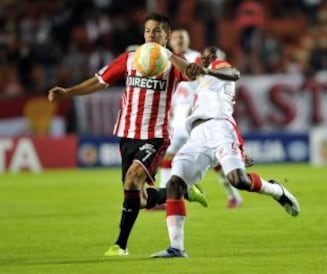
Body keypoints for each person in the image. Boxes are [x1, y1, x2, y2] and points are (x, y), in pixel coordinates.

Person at [47, 12, 206, 257]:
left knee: (133, 179)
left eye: (156, 31)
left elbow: (195, 74)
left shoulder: (173, 63)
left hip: (155, 136)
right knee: (138, 198)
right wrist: (67, 92)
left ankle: (120, 245)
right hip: (127, 134)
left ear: (166, 36)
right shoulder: (131, 59)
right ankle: (181, 190)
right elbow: (99, 81)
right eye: (147, 30)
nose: (150, 35)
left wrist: (171, 56)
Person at [150, 46, 300, 258]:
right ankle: (176, 247)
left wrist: (208, 69)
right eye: (205, 54)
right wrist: (166, 54)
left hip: (220, 127)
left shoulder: (219, 69)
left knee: (238, 180)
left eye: (212, 54)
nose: (207, 57)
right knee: (175, 183)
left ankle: (276, 190)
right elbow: (185, 70)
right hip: (197, 134)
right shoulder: (198, 80)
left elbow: (235, 74)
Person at [158, 30, 243, 209]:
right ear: (170, 41)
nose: (179, 41)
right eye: (175, 38)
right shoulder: (169, 61)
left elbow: (208, 79)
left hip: (197, 116)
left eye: (182, 37)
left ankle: (232, 194)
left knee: (208, 157)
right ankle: (166, 196)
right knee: (171, 156)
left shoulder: (198, 58)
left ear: (189, 40)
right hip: (178, 118)